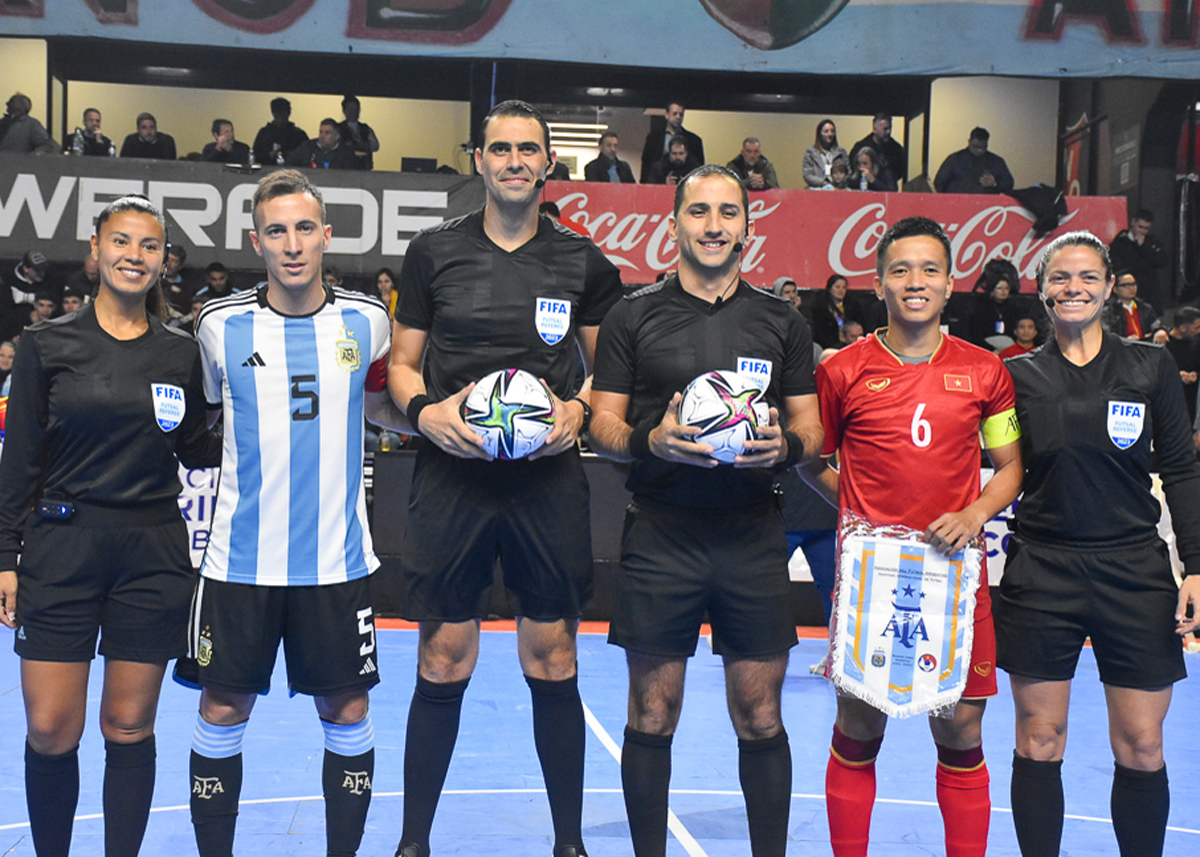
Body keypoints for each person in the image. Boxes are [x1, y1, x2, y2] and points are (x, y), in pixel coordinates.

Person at [388, 99, 622, 857]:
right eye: (501, 148)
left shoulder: (581, 259)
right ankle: (413, 843)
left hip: (545, 481)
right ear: (479, 160)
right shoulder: (432, 253)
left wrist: (579, 410)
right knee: (443, 653)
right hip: (452, 478)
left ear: (549, 163)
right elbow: (400, 365)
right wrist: (426, 414)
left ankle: (569, 844)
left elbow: (610, 372)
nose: (515, 160)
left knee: (553, 652)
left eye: (529, 149)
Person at [588, 164, 823, 857]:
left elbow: (814, 433)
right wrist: (647, 440)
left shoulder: (781, 320)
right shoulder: (634, 315)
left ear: (748, 226)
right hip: (661, 530)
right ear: (674, 224)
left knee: (760, 713)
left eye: (727, 213)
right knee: (652, 711)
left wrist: (787, 446)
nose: (713, 225)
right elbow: (599, 425)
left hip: (752, 534)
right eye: (698, 212)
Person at [187, 168, 406, 857]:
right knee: (222, 709)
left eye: (304, 227)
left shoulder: (367, 322)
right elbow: (207, 415)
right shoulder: (219, 325)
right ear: (257, 240)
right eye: (276, 230)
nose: (291, 243)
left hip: (335, 563)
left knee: (346, 711)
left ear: (326, 236)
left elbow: (379, 404)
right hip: (238, 562)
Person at [0, 194, 221, 857]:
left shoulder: (182, 354)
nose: (135, 255)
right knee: (50, 728)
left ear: (163, 262)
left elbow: (198, 448)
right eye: (121, 242)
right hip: (60, 547)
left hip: (151, 551)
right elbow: (21, 460)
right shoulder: (46, 343)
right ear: (96, 253)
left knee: (128, 725)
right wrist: (6, 554)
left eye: (149, 246)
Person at [804, 216, 1023, 857]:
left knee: (959, 728)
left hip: (954, 578)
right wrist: (857, 512)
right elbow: (810, 458)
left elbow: (1010, 469)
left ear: (951, 283)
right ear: (878, 283)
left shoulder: (987, 372)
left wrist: (975, 513)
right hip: (872, 576)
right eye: (900, 270)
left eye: (929, 269)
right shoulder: (842, 370)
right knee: (858, 719)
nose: (915, 281)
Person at [998, 230, 1200, 857]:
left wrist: (1196, 566)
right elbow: (997, 468)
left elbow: (1183, 470)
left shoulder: (1150, 365)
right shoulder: (1011, 377)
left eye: (1088, 277)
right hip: (1041, 569)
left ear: (1110, 289)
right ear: (1042, 290)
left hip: (1134, 569)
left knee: (1141, 744)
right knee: (1039, 738)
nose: (1073, 288)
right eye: (1060, 277)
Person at [1109, 209, 1169, 315]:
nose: (1142, 231)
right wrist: (1146, 263)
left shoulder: (1152, 241)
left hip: (1150, 292)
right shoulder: (1121, 242)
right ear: (1133, 223)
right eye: (1140, 227)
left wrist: (1143, 246)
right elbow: (1119, 264)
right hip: (1128, 290)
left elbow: (1162, 261)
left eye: (1146, 228)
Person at [934, 127, 1015, 195]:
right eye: (975, 147)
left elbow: (1009, 183)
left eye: (983, 147)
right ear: (969, 142)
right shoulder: (954, 159)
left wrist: (995, 183)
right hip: (958, 205)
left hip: (986, 207)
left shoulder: (996, 161)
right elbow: (939, 183)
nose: (979, 150)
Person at [640, 101, 704, 183]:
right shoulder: (653, 139)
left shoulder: (694, 141)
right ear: (666, 115)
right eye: (675, 113)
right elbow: (646, 167)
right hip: (657, 185)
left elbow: (700, 170)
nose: (678, 117)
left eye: (681, 114)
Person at [968, 258, 1024, 348]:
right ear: (992, 290)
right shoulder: (981, 308)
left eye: (1007, 288)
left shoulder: (1014, 309)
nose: (1003, 291)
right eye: (999, 288)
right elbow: (975, 335)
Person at [1104, 269, 1167, 342]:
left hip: (1144, 346)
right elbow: (1106, 335)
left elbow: (1156, 325)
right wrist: (1124, 341)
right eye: (1126, 285)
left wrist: (1160, 331)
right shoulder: (1109, 311)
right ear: (1115, 289)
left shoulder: (1144, 308)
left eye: (1133, 284)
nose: (1132, 288)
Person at [849, 114, 906, 186]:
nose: (888, 132)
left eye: (890, 128)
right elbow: (852, 167)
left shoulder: (896, 150)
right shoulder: (860, 147)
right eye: (885, 129)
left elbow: (900, 171)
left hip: (888, 187)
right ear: (875, 129)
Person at [810, 274, 863, 350]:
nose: (841, 290)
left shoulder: (853, 306)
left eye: (844, 288)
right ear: (829, 289)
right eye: (837, 287)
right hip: (829, 346)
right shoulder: (821, 308)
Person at [251, 97, 308, 166]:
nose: (281, 116)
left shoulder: (298, 134)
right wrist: (269, 155)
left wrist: (290, 156)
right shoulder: (264, 134)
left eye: (283, 112)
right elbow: (254, 156)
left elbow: (307, 155)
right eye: (278, 112)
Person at [287, 118, 357, 170]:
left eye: (327, 133)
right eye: (321, 132)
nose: (322, 136)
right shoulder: (307, 147)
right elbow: (289, 163)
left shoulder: (346, 153)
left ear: (337, 136)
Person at [803, 119, 848, 189]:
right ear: (820, 133)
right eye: (826, 131)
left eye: (832, 131)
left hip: (838, 189)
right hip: (817, 188)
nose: (830, 134)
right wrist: (823, 182)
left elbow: (848, 172)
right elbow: (807, 175)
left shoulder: (841, 152)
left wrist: (839, 181)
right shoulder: (810, 153)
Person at [338, 95, 380, 171]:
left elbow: (375, 146)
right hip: (345, 168)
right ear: (344, 110)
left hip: (364, 167)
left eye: (355, 109)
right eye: (350, 109)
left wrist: (356, 145)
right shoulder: (337, 129)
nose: (353, 112)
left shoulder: (366, 128)